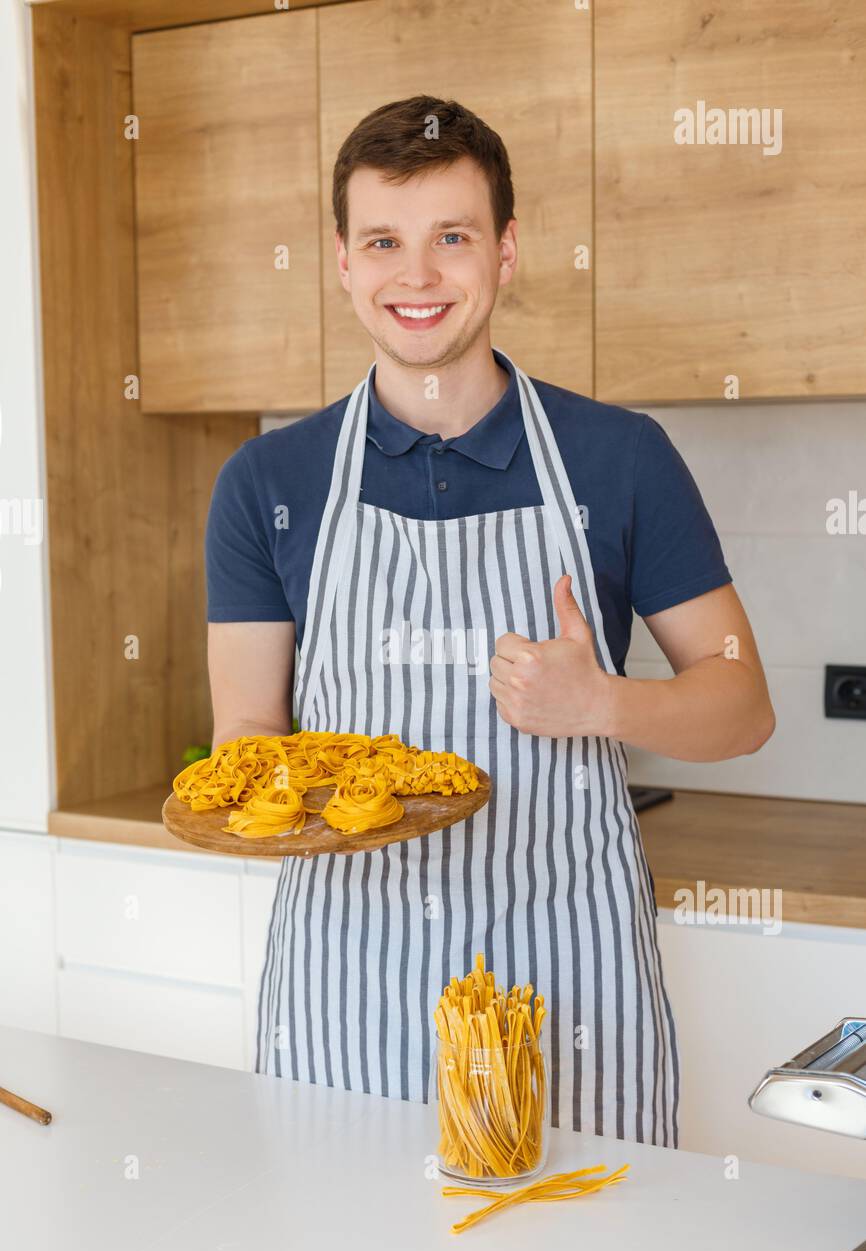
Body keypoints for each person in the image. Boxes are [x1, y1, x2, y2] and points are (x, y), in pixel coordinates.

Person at [205, 95, 775, 1147]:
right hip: (347, 979)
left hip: (567, 978)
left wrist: (601, 700)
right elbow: (246, 733)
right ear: (341, 260)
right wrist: (306, 796)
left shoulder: (619, 457)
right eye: (383, 240)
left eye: (450, 238)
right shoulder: (267, 482)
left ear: (505, 252)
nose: (414, 277)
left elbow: (740, 708)